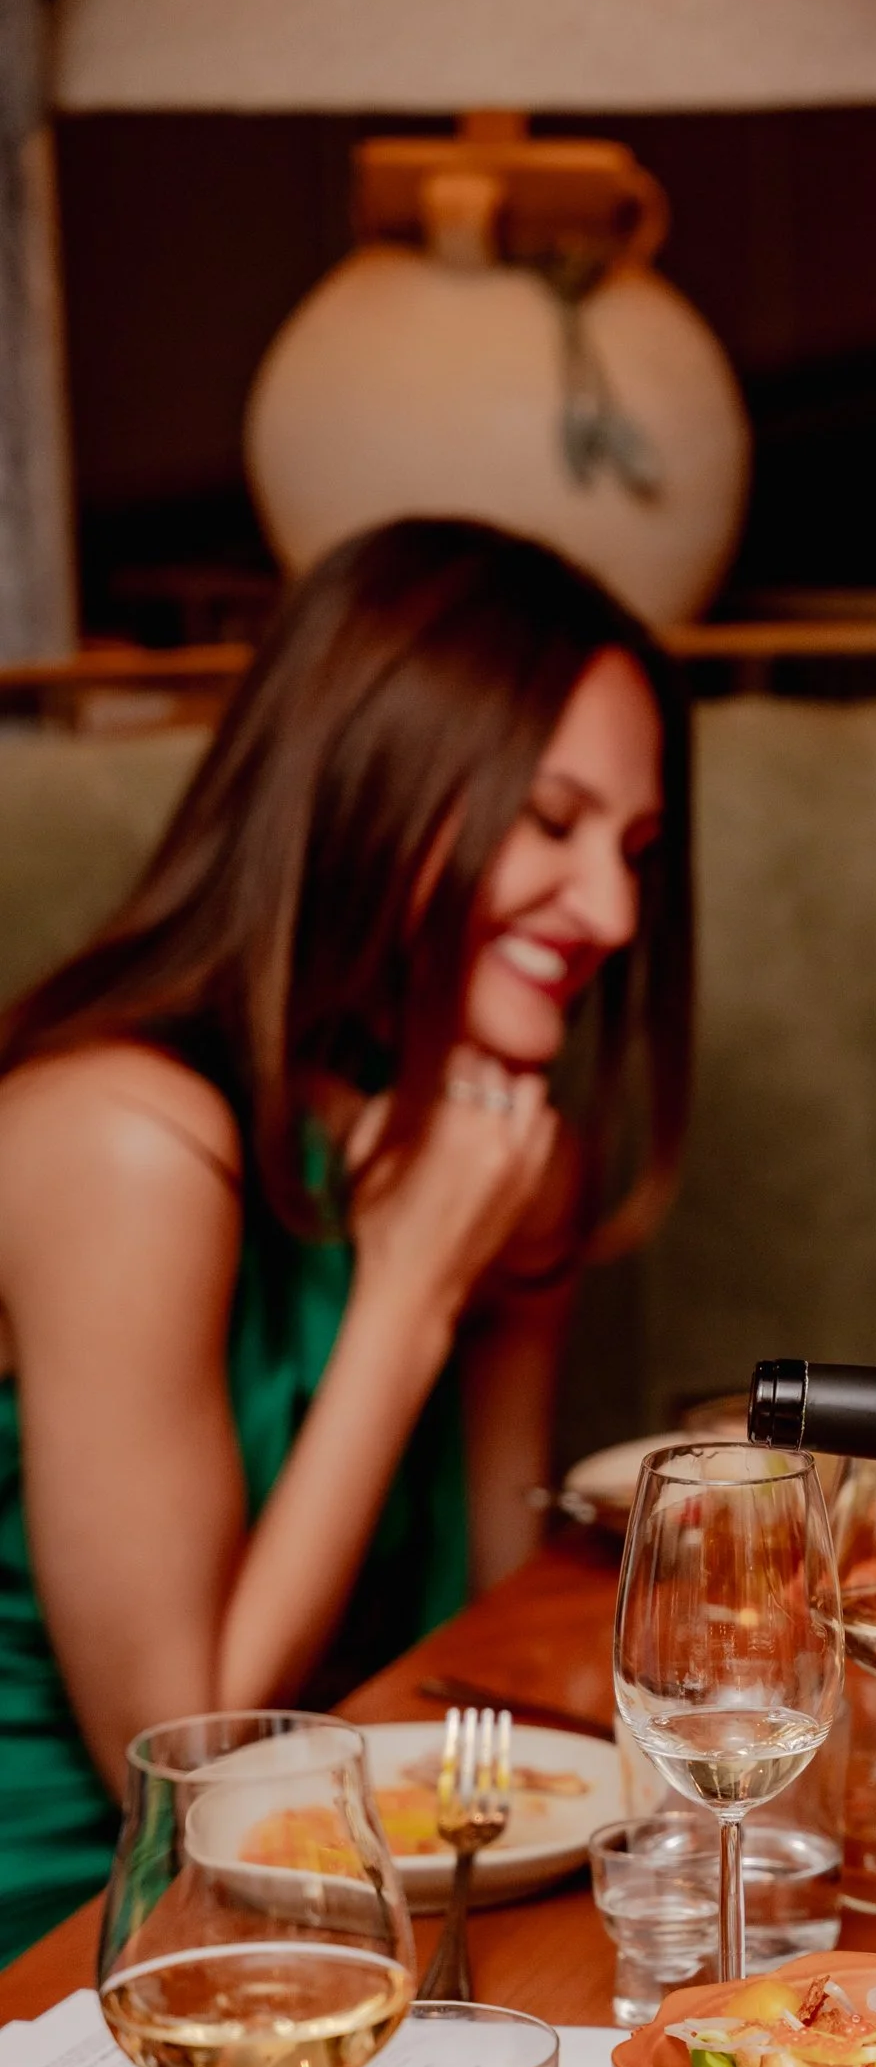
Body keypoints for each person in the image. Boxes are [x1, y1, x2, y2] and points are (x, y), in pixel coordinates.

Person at [0, 516, 692, 1960]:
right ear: (376, 787)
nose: (615, 910)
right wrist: (411, 1294)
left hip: (337, 1895)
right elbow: (176, 1761)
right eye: (552, 823)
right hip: (83, 1944)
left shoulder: (476, 1152)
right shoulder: (121, 1141)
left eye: (632, 848)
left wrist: (515, 1270)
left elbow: (482, 1637)